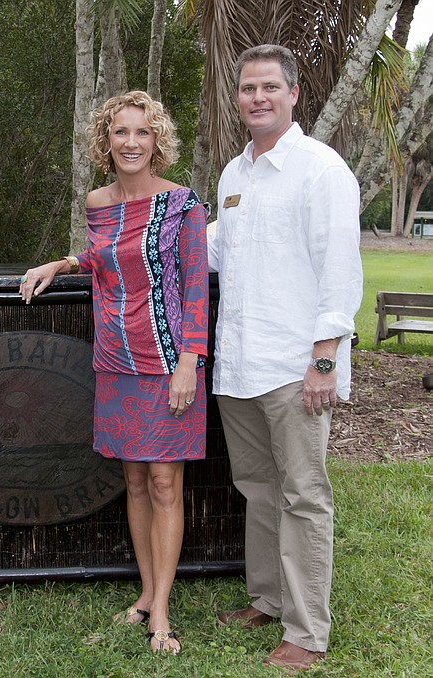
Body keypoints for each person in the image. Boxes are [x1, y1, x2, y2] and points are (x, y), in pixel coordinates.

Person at [20, 91, 209, 654]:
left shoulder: (183, 204)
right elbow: (105, 256)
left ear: (158, 142)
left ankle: (163, 614)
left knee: (163, 482)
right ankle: (147, 593)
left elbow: (196, 286)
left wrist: (188, 363)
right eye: (120, 132)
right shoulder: (98, 201)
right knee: (132, 480)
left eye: (142, 133)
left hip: (169, 360)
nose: (131, 143)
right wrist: (64, 262)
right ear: (107, 140)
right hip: (116, 357)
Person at [209, 44, 363, 672]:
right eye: (248, 88)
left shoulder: (321, 170)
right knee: (258, 489)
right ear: (238, 96)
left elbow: (339, 269)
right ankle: (269, 599)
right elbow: (215, 252)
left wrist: (325, 356)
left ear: (294, 93)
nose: (258, 98)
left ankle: (307, 632)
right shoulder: (233, 175)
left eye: (270, 87)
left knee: (304, 495)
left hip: (296, 367)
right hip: (239, 365)